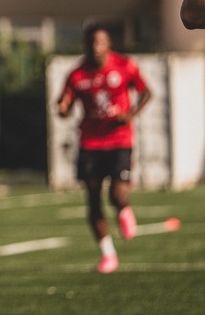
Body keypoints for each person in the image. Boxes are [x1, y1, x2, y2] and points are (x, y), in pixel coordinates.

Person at [56, 24, 151, 274]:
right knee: (93, 199)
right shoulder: (77, 75)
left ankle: (123, 208)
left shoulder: (125, 66)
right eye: (91, 42)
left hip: (120, 140)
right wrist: (63, 109)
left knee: (117, 195)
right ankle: (108, 254)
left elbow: (146, 93)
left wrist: (130, 114)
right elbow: (65, 105)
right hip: (90, 143)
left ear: (108, 44)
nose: (95, 47)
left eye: (100, 42)